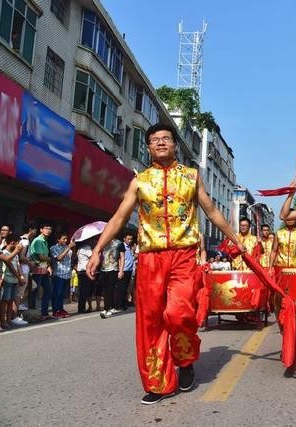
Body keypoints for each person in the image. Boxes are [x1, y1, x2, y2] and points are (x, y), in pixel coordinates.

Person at [86, 123, 244, 405]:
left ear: (174, 145)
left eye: (166, 139)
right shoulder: (140, 181)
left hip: (183, 256)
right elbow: (119, 217)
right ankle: (158, 383)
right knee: (151, 322)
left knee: (178, 314)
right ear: (148, 148)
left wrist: (236, 239)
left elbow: (211, 211)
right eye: (154, 140)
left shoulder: (192, 177)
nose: (160, 143)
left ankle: (184, 360)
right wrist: (98, 249)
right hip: (150, 258)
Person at [0, 235, 24, 331]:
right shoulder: (4, 253)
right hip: (6, 280)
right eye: (18, 242)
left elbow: (18, 265)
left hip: (14, 281)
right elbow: (10, 267)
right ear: (12, 242)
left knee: (10, 301)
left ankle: (8, 320)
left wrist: (21, 276)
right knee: (4, 301)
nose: (19, 245)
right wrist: (19, 278)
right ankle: (3, 322)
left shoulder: (15, 254)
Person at [28, 223, 53, 319]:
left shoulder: (45, 241)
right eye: (46, 228)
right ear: (41, 230)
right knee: (34, 291)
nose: (49, 230)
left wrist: (48, 266)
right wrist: (49, 259)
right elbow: (41, 256)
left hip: (43, 269)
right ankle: (32, 313)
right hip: (36, 270)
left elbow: (44, 258)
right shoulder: (38, 241)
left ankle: (44, 313)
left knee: (48, 289)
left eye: (50, 229)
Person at [99, 236, 125, 319]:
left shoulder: (119, 243)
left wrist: (121, 270)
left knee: (110, 289)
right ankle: (110, 307)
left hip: (114, 269)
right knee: (104, 290)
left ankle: (106, 309)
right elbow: (99, 253)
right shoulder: (103, 241)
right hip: (103, 269)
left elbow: (122, 257)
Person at [49, 232, 75, 318]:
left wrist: (71, 248)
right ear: (58, 239)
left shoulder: (68, 249)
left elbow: (71, 258)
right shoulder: (54, 248)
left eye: (66, 239)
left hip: (67, 273)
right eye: (63, 239)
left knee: (62, 294)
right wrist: (68, 247)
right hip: (58, 273)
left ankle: (61, 309)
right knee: (57, 293)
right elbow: (59, 258)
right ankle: (55, 310)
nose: (65, 240)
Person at [76, 239, 95, 313]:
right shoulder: (86, 248)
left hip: (80, 270)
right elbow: (92, 257)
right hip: (85, 271)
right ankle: (81, 308)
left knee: (82, 290)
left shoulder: (79, 248)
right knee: (85, 290)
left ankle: (81, 307)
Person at [120, 233, 135, 311]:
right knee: (122, 287)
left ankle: (125, 303)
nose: (129, 241)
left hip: (130, 270)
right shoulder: (122, 246)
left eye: (131, 239)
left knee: (127, 287)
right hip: (124, 269)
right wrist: (121, 270)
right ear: (124, 239)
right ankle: (121, 304)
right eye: (128, 239)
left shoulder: (130, 247)